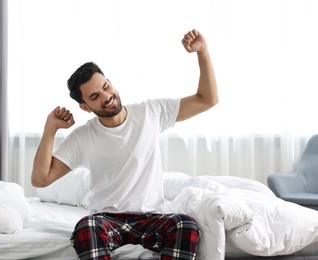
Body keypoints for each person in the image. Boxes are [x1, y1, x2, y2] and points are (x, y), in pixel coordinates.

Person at [32, 28, 218, 260]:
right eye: (94, 96)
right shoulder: (83, 136)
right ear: (85, 107)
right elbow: (40, 179)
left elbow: (207, 99)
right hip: (107, 220)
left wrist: (203, 52)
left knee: (186, 226)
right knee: (85, 228)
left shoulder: (151, 112)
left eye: (106, 86)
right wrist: (50, 129)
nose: (106, 96)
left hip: (152, 218)